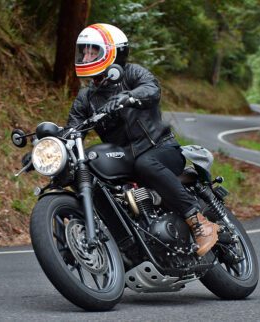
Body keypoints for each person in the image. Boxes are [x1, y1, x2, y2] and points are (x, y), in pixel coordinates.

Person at [67, 23, 218, 256]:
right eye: (84, 51)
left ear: (111, 52)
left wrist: (128, 97)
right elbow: (73, 128)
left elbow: (151, 89)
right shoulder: (86, 97)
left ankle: (198, 220)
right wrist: (53, 144)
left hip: (160, 148)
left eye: (92, 52)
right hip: (125, 158)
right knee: (93, 174)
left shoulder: (132, 74)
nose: (86, 57)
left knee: (145, 163)